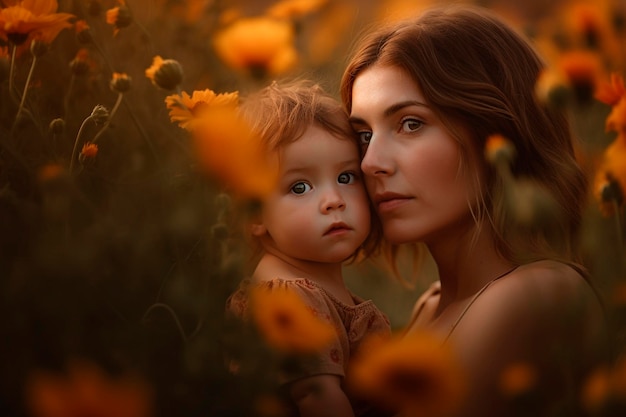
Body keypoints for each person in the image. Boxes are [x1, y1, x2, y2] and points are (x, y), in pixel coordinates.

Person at [340, 5, 610, 417]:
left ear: (496, 130)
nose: (370, 161)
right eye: (363, 134)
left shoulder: (534, 294)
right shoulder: (432, 305)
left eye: (410, 124)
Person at [225, 80, 391, 417]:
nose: (333, 201)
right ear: (253, 212)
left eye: (346, 177)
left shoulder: (308, 283)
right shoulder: (287, 299)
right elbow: (318, 398)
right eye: (300, 186)